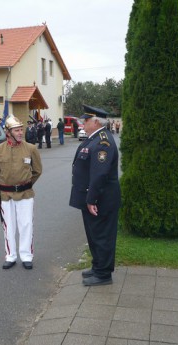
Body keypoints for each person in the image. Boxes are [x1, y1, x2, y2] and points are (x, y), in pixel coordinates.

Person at [69, 105, 121, 286]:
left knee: (102, 236)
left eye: (86, 121)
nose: (83, 124)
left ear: (96, 121)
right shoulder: (94, 139)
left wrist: (91, 199)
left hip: (101, 199)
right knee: (94, 235)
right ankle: (98, 266)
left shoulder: (103, 142)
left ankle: (104, 274)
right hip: (93, 197)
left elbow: (100, 174)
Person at [0, 115, 42, 270]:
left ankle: (26, 256)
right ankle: (10, 256)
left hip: (25, 194)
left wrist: (26, 183)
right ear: (8, 132)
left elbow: (38, 170)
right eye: (17, 130)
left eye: (21, 130)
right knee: (8, 227)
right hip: (5, 196)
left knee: (26, 225)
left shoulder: (30, 148)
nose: (20, 133)